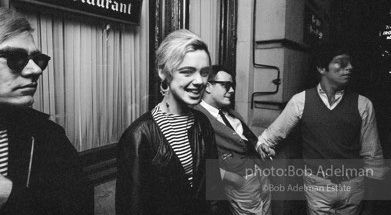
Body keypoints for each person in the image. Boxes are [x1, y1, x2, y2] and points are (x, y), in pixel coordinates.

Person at [256, 43, 388, 214]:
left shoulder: (363, 104)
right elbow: (266, 138)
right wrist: (262, 146)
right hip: (317, 187)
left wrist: (370, 206)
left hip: (353, 187)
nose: (350, 68)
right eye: (342, 63)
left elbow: (373, 157)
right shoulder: (301, 101)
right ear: (321, 68)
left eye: (350, 63)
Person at [116, 29, 227, 215]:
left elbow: (214, 191)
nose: (199, 81)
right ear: (163, 72)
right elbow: (132, 208)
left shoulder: (202, 123)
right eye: (187, 72)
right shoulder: (138, 135)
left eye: (204, 72)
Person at [0, 8, 91, 214]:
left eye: (38, 59)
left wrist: (10, 195)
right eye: (16, 57)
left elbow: (79, 207)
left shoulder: (47, 136)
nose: (36, 70)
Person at [195, 65, 271, 215]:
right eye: (226, 85)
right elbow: (195, 161)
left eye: (232, 86)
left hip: (259, 173)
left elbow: (247, 138)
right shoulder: (197, 117)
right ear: (209, 86)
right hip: (240, 182)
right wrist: (230, 177)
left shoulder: (230, 112)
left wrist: (259, 147)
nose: (232, 90)